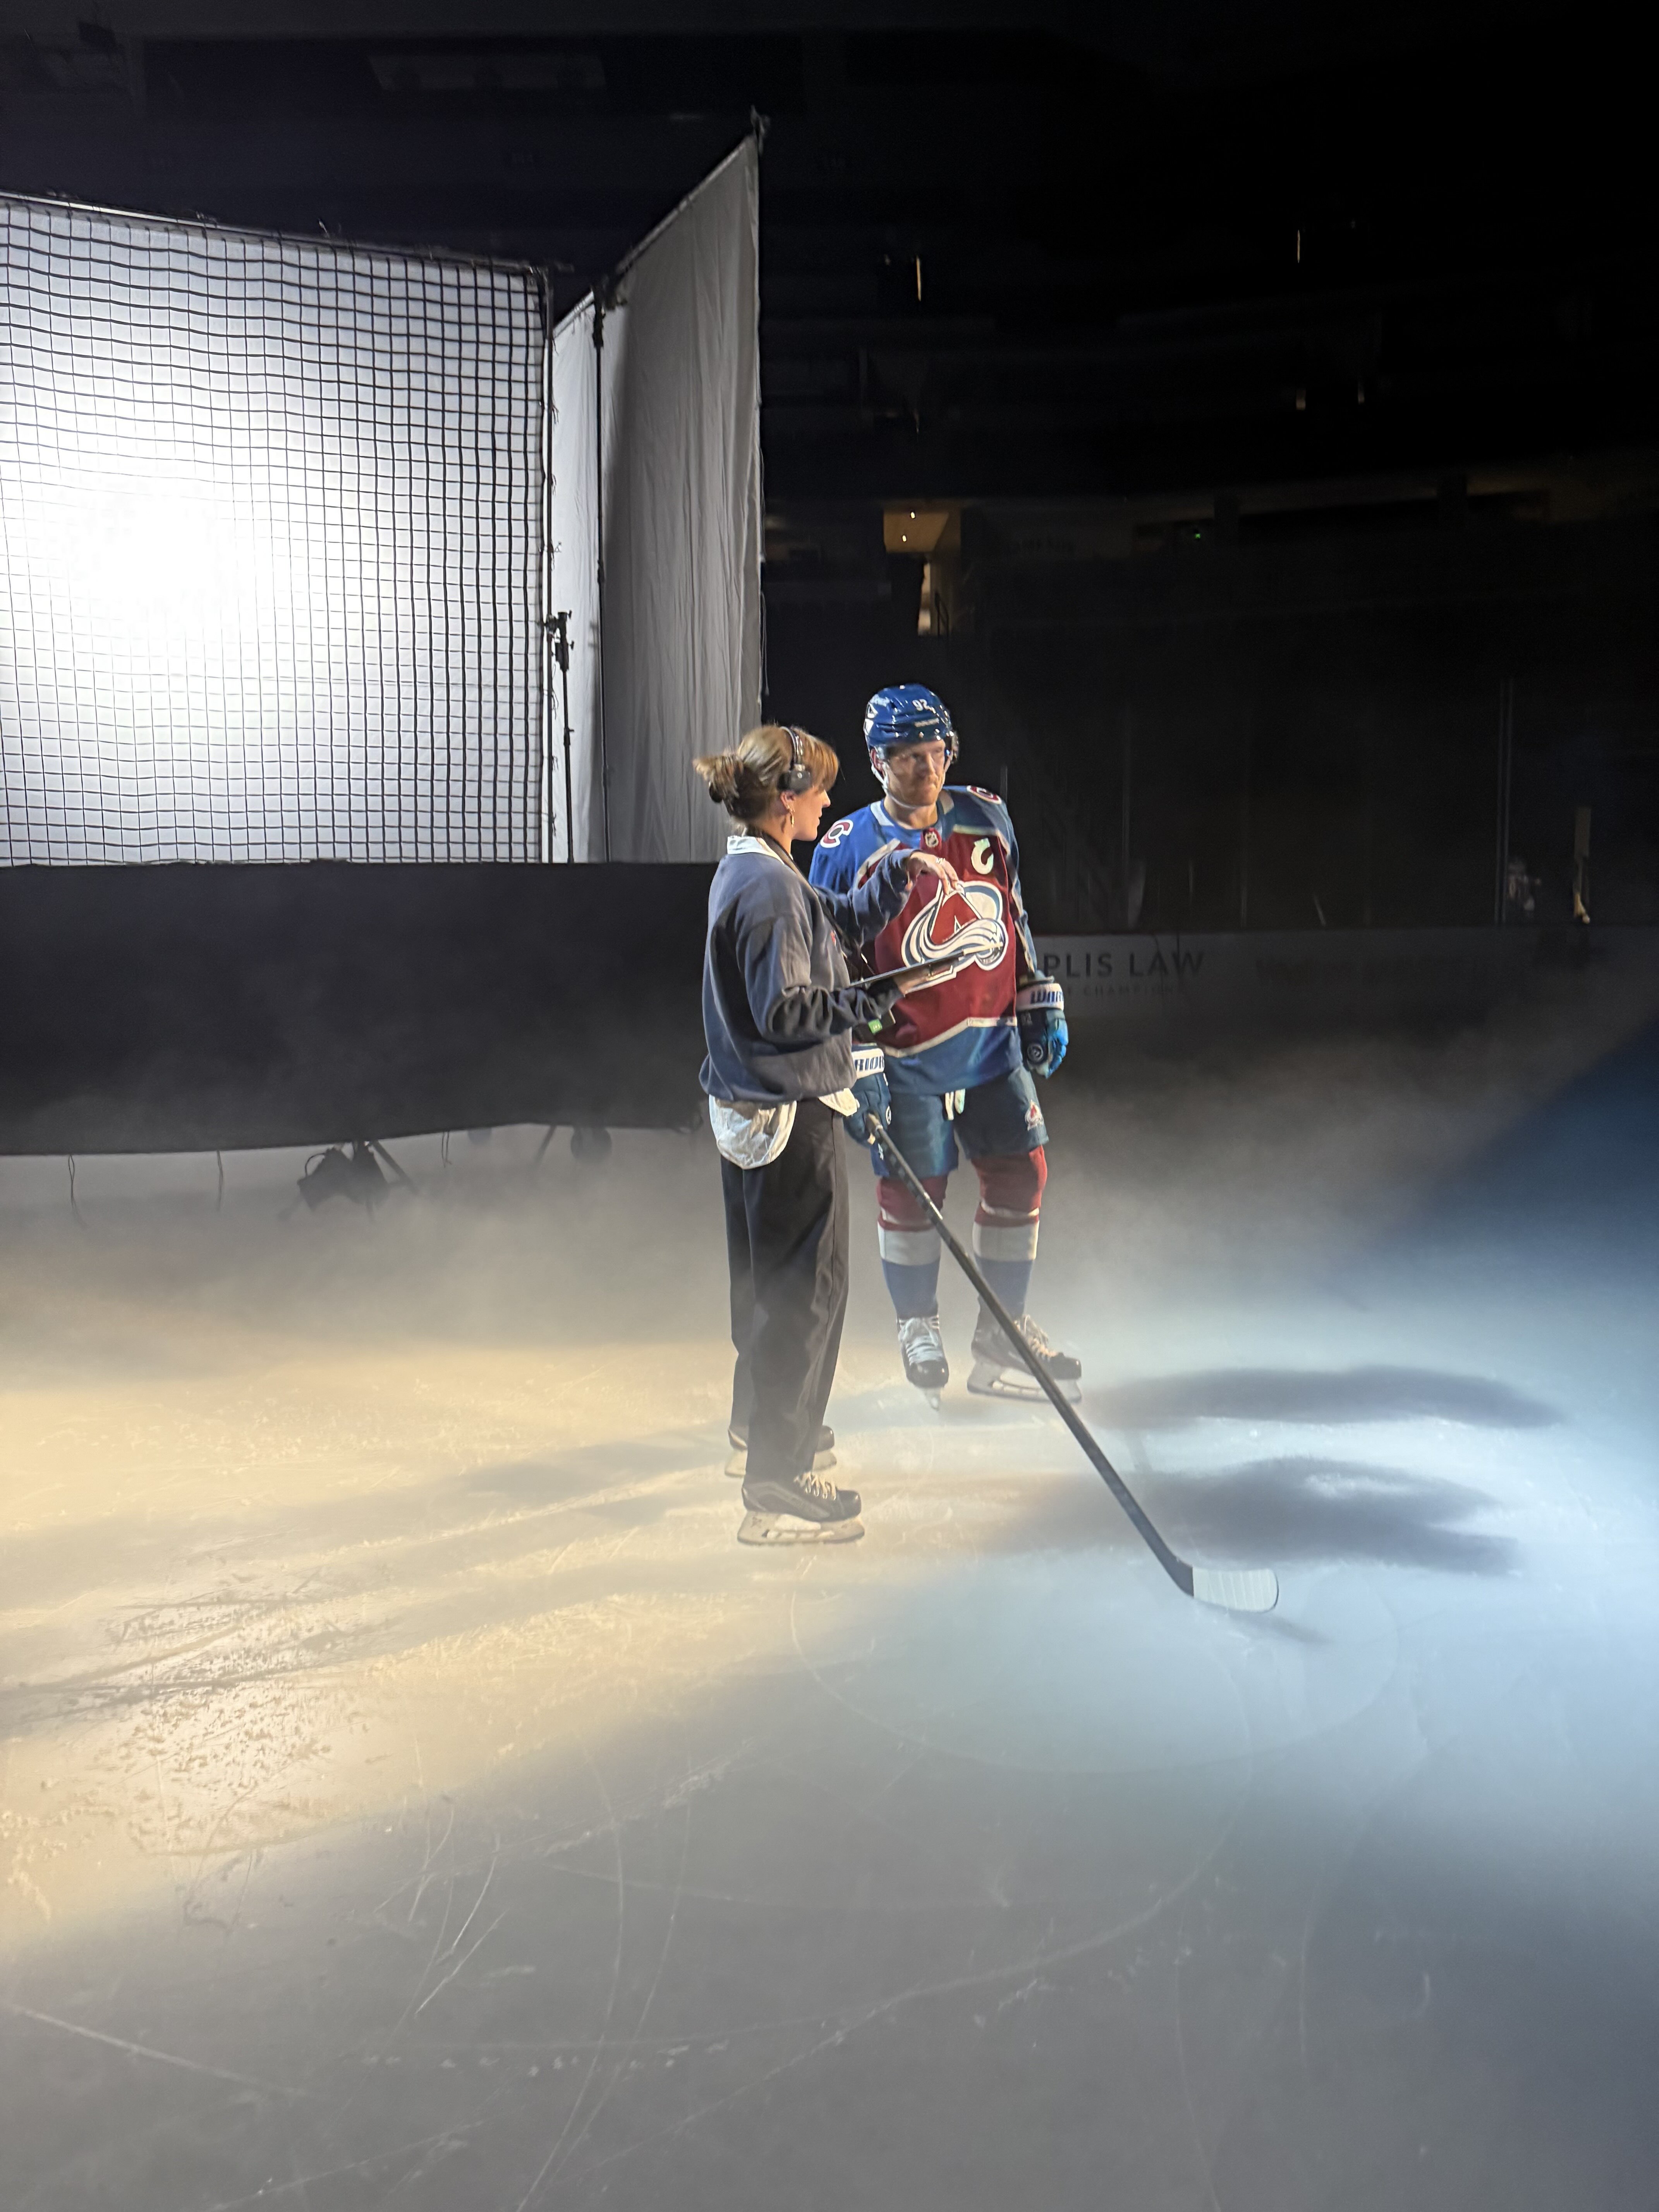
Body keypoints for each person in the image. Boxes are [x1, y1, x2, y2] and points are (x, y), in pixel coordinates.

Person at [696, 721, 959, 1543]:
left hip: (749, 1108)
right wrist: (890, 990)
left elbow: (831, 916)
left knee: (769, 1291)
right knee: (805, 1297)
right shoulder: (770, 888)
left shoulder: (757, 867)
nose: (828, 802)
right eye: (819, 790)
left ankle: (761, 1433)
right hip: (787, 1113)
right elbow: (787, 1013)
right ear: (786, 800)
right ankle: (778, 1479)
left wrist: (893, 876)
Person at [808, 683, 1078, 1405]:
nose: (926, 769)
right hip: (903, 1054)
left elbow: (1013, 916)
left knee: (1023, 1173)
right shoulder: (844, 848)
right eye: (907, 757)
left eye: (935, 753)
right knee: (914, 1191)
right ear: (876, 761)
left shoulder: (988, 815)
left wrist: (1033, 993)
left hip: (991, 1047)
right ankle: (916, 1323)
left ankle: (1003, 1332)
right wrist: (855, 1054)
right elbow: (827, 960)